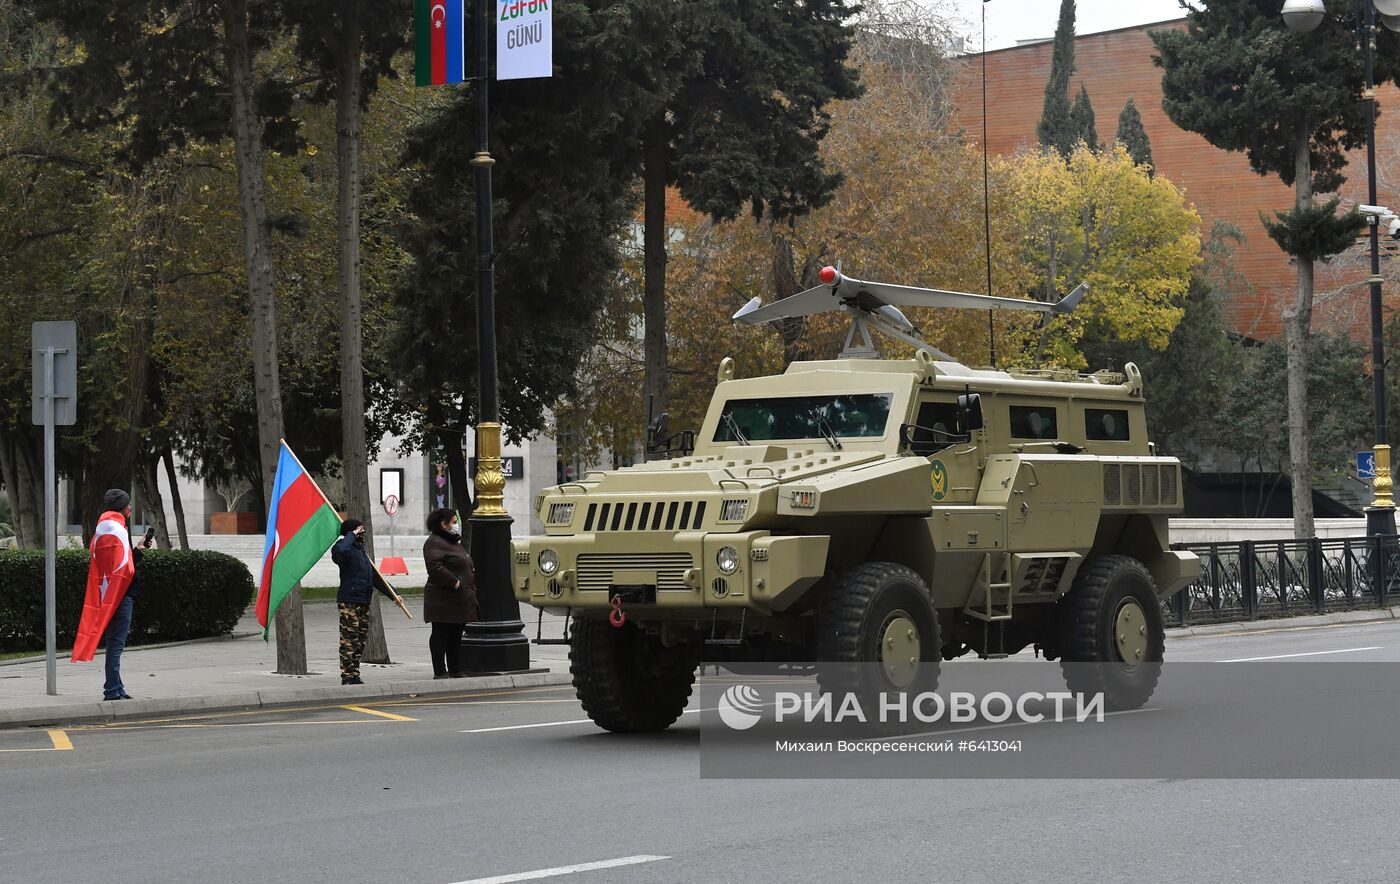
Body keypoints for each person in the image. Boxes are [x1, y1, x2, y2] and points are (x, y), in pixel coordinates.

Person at [331, 519, 398, 685]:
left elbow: (376, 578)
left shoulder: (361, 552)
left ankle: (354, 673)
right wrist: (350, 535)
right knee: (349, 639)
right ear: (350, 533)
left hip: (363, 600)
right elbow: (342, 552)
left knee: (360, 641)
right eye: (359, 531)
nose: (362, 534)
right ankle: (347, 676)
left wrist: (394, 595)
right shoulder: (341, 548)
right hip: (349, 601)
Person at [101, 488, 151, 701]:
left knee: (114, 642)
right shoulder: (117, 530)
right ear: (122, 508)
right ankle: (112, 690)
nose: (131, 508)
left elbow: (120, 563)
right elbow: (125, 569)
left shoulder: (107, 527)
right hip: (121, 596)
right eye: (129, 505)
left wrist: (137, 549)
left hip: (114, 594)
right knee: (116, 644)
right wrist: (137, 554)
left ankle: (116, 686)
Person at [422, 507, 477, 678]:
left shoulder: (453, 542)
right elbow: (434, 566)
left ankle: (455, 669)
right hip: (443, 597)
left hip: (459, 597)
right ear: (443, 524)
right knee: (441, 634)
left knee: (455, 635)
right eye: (454, 522)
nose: (457, 525)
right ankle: (440, 671)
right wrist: (454, 581)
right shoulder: (434, 542)